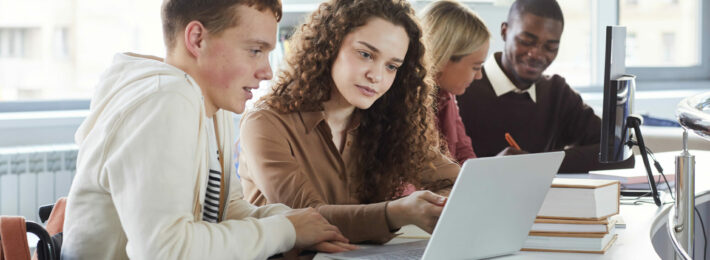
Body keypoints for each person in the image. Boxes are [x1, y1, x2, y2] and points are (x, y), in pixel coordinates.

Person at [61, 1, 353, 259]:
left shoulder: (210, 104)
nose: (267, 71)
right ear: (197, 39)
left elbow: (227, 211)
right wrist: (286, 230)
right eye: (254, 50)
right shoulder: (165, 99)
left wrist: (298, 222)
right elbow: (165, 251)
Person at [238, 0, 460, 244]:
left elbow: (457, 182)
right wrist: (397, 213)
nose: (376, 76)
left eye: (391, 66)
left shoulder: (389, 122)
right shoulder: (265, 121)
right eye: (365, 54)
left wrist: (438, 205)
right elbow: (306, 218)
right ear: (329, 46)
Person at [456, 0, 633, 173]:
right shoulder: (461, 88)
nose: (537, 54)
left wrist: (535, 164)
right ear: (504, 32)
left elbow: (620, 152)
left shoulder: (557, 93)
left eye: (550, 47)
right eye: (526, 41)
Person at [420, 0, 490, 164]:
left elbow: (464, 153)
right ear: (443, 58)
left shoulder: (447, 96)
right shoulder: (402, 101)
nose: (479, 76)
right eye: (475, 67)